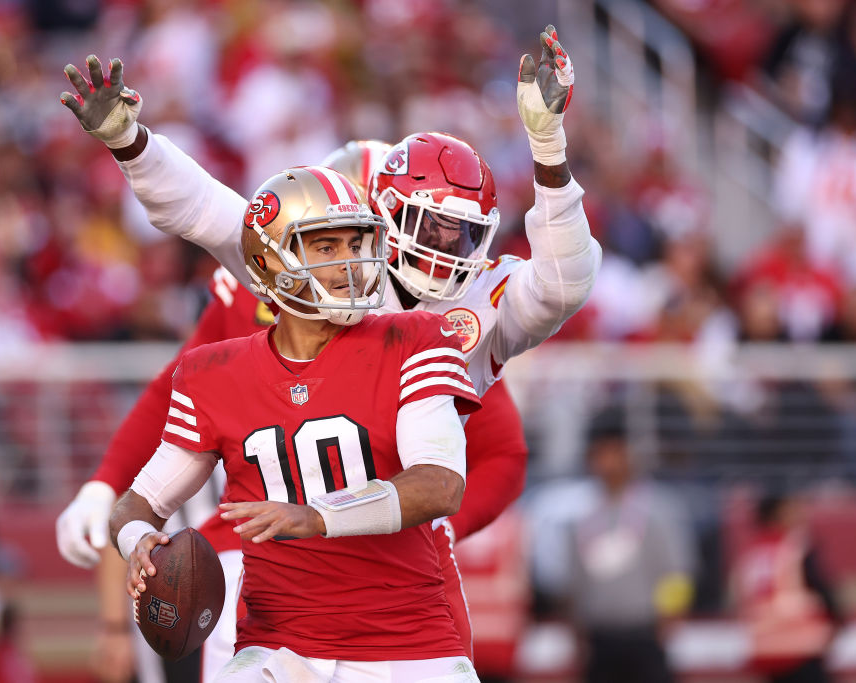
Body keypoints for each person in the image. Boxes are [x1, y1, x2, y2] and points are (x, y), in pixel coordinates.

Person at [61, 19, 598, 668]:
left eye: (462, 235)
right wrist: (133, 144)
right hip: (281, 572)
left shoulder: (469, 313)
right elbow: (210, 211)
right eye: (431, 224)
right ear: (380, 214)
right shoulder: (325, 266)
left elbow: (566, 282)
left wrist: (547, 146)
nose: (446, 249)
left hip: (399, 561)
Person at [58, 141, 530, 679]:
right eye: (327, 245)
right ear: (270, 260)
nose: (351, 263)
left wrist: (328, 517)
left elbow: (453, 478)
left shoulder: (419, 333)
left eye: (359, 240)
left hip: (398, 623)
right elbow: (141, 500)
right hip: (273, 615)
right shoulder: (215, 365)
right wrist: (126, 522)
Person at [561, 410, 695, 683]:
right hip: (600, 638)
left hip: (645, 635)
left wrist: (668, 622)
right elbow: (574, 580)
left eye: (614, 453)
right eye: (600, 454)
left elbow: (676, 573)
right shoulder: (580, 515)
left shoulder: (658, 510)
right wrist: (577, 628)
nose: (607, 462)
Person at [733, 492, 843, 683]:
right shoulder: (795, 548)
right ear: (778, 514)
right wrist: (838, 621)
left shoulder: (752, 554)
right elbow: (820, 586)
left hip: (766, 649)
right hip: (801, 646)